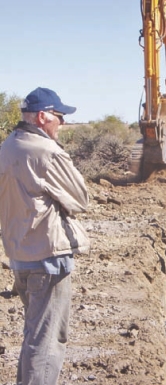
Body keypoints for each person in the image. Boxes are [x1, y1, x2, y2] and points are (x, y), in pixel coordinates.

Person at [0, 87, 90, 385]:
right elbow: (81, 199)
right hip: (48, 259)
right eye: (59, 116)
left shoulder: (8, 146)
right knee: (48, 341)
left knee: (34, 336)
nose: (62, 123)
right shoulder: (46, 152)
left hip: (21, 257)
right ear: (42, 117)